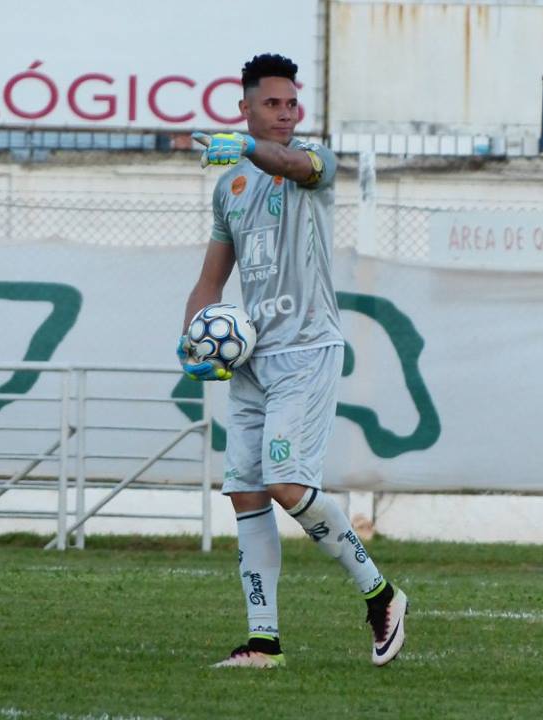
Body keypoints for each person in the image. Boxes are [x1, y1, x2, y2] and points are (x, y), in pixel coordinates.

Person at [177, 53, 408, 669]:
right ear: (245, 106)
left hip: (306, 351)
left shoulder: (312, 163)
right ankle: (263, 643)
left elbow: (288, 161)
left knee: (285, 483)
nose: (285, 114)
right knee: (247, 495)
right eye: (272, 104)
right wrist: (192, 338)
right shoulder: (229, 187)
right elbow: (210, 281)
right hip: (251, 360)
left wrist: (245, 148)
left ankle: (380, 593)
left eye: (291, 104)